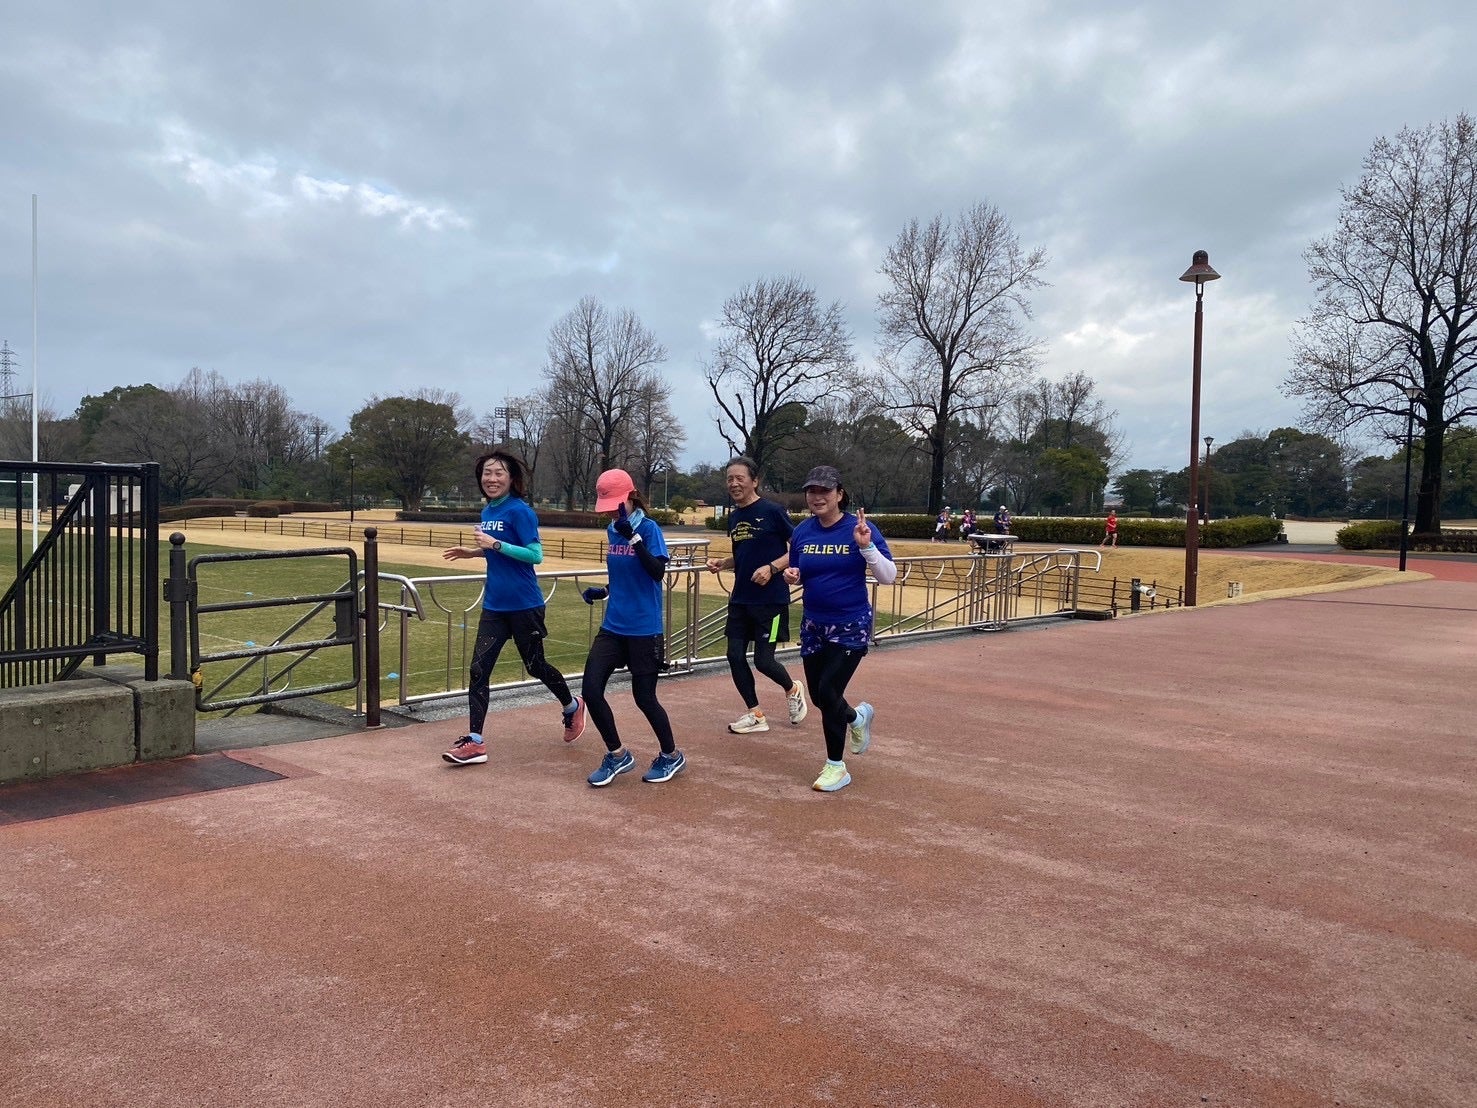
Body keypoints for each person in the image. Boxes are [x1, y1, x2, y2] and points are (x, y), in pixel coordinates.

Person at [440, 450, 585, 766]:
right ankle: (475, 742)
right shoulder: (488, 510)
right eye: (486, 473)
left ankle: (572, 706)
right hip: (495, 606)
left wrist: (494, 544)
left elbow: (535, 555)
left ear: (511, 478)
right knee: (478, 670)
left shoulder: (521, 511)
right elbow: (500, 549)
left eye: (498, 473)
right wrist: (474, 552)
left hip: (524, 605)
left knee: (535, 665)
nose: (491, 479)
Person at [783, 465, 896, 793]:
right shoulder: (803, 531)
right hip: (813, 623)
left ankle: (836, 767)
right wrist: (793, 576)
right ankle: (857, 718)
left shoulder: (859, 528)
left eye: (825, 491)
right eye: (812, 491)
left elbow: (889, 576)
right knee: (819, 696)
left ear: (839, 494)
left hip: (850, 624)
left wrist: (866, 547)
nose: (817, 497)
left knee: (830, 692)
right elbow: (799, 571)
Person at [581, 468, 686, 787]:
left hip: (644, 628)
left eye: (615, 505)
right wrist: (605, 590)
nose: (611, 512)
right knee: (591, 690)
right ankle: (617, 754)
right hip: (613, 626)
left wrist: (634, 538)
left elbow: (656, 572)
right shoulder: (612, 529)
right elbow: (625, 575)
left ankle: (671, 755)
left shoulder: (649, 529)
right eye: (607, 507)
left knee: (644, 698)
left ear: (630, 497)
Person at [704, 456, 807, 735]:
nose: (734, 484)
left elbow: (799, 548)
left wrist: (772, 568)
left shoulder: (772, 511)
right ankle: (755, 714)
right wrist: (723, 563)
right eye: (729, 479)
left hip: (770, 601)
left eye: (740, 478)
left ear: (754, 481)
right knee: (734, 655)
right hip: (741, 598)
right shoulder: (734, 516)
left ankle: (792, 688)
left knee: (764, 661)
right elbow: (743, 555)